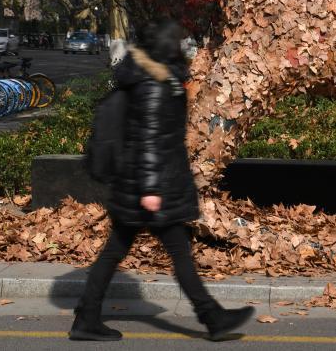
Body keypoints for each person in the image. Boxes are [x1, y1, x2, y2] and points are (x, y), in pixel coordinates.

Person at [70, 18, 253, 341]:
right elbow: (149, 138)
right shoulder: (153, 82)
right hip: (151, 187)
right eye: (179, 40)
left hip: (140, 183)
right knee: (176, 253)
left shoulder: (154, 76)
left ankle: (87, 318)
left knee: (117, 251)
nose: (183, 46)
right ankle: (213, 318)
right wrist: (151, 189)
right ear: (167, 45)